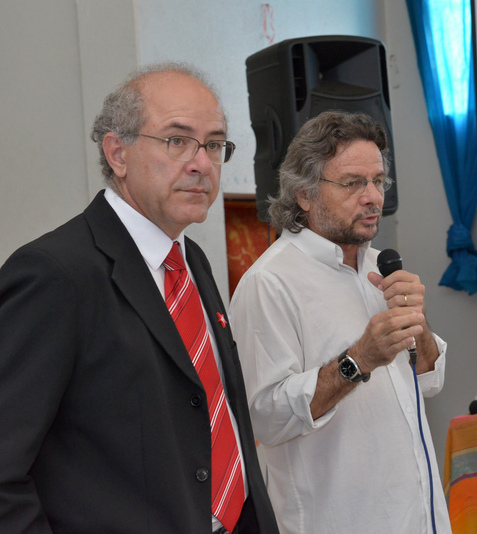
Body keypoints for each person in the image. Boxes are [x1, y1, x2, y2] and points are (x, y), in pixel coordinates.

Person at [0, 62, 280, 534]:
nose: (202, 163)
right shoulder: (55, 273)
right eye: (177, 140)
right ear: (118, 154)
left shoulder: (191, 260)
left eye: (214, 145)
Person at [229, 110, 452, 533]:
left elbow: (429, 380)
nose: (372, 197)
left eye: (378, 181)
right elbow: (265, 418)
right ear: (305, 194)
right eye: (353, 183)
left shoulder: (381, 267)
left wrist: (418, 325)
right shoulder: (269, 283)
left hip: (419, 518)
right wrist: (359, 360)